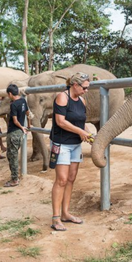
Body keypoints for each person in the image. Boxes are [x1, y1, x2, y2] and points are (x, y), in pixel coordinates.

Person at [50, 72, 92, 232]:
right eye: (85, 87)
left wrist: (87, 133)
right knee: (61, 179)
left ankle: (65, 213)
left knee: (71, 178)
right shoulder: (62, 97)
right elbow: (61, 122)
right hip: (62, 144)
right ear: (75, 85)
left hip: (75, 144)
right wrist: (81, 132)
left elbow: (81, 121)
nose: (86, 90)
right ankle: (55, 218)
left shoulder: (81, 100)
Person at [5, 84, 31, 187]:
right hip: (19, 132)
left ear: (10, 94)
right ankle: (14, 177)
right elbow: (28, 113)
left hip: (14, 132)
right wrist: (28, 125)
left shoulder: (14, 104)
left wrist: (21, 127)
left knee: (13, 156)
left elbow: (15, 120)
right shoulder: (23, 101)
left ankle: (14, 179)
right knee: (11, 155)